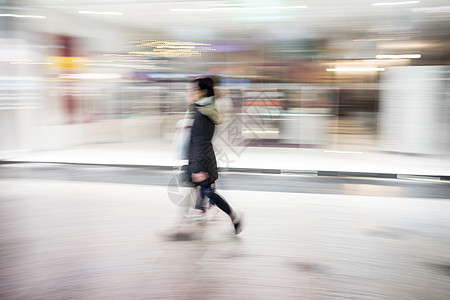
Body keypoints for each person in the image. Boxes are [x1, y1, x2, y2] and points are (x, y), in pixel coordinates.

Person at [185, 76, 244, 235]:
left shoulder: (202, 114)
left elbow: (200, 142)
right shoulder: (203, 110)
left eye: (193, 89)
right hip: (202, 158)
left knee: (208, 192)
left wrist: (198, 167)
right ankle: (200, 211)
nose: (190, 92)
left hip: (201, 160)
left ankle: (234, 218)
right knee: (205, 191)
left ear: (203, 92)